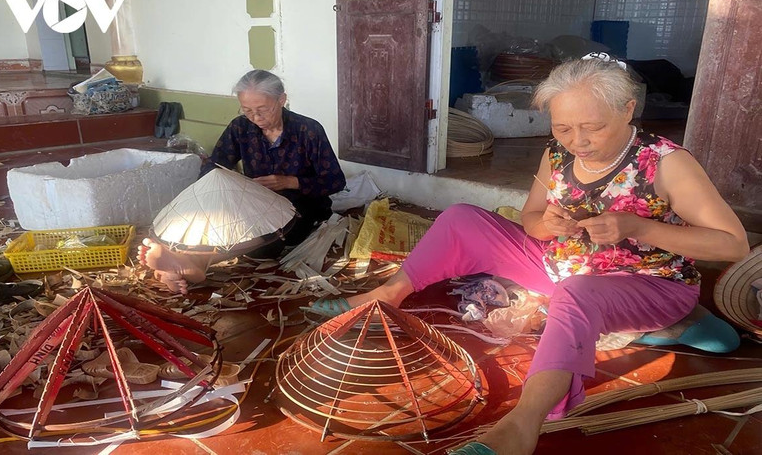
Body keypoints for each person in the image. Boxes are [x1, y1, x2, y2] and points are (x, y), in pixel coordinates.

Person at [310, 57, 750, 455]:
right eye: (563, 128)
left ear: (628, 108)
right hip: (561, 267)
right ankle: (388, 293)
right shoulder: (557, 154)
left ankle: (522, 425)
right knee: (463, 218)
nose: (578, 141)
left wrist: (639, 227)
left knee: (577, 297)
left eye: (592, 127)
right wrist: (546, 225)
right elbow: (532, 218)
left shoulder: (666, 163)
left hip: (651, 283)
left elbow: (733, 243)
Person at [139, 70, 346, 293]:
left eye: (262, 110)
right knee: (218, 215)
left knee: (260, 242)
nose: (255, 118)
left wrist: (289, 182)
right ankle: (179, 260)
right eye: (247, 110)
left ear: (281, 100)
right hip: (252, 203)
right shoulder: (241, 128)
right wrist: (233, 185)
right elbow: (212, 167)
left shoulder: (308, 130)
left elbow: (335, 181)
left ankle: (194, 264)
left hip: (299, 209)